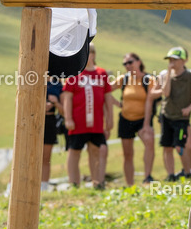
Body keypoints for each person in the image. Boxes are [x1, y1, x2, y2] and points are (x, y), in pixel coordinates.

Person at [151, 46, 191, 181]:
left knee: (180, 146)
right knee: (167, 146)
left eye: (175, 60)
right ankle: (170, 175)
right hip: (166, 115)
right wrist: (169, 74)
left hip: (181, 118)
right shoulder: (165, 75)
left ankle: (188, 173)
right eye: (170, 59)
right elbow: (165, 93)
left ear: (184, 61)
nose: (172, 62)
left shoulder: (190, 76)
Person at [61, 45, 113, 188]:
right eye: (85, 53)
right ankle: (74, 183)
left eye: (90, 53)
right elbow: (67, 98)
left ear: (94, 54)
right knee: (74, 151)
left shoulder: (101, 74)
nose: (88, 55)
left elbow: (107, 98)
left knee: (95, 150)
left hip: (96, 122)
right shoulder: (74, 74)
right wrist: (68, 118)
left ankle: (97, 182)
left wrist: (110, 118)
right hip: (78, 122)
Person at [113, 53, 156, 185]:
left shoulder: (148, 79)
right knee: (127, 153)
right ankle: (129, 184)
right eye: (125, 64)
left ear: (138, 62)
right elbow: (105, 89)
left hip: (143, 119)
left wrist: (146, 124)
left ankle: (147, 177)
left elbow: (150, 101)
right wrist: (119, 104)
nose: (128, 66)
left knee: (149, 144)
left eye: (130, 62)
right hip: (125, 119)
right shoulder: (123, 79)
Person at [42, 78, 63, 192]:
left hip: (50, 120)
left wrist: (55, 103)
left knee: (46, 157)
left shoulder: (58, 84)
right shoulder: (33, 79)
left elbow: (64, 111)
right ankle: (12, 187)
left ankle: (43, 187)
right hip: (34, 119)